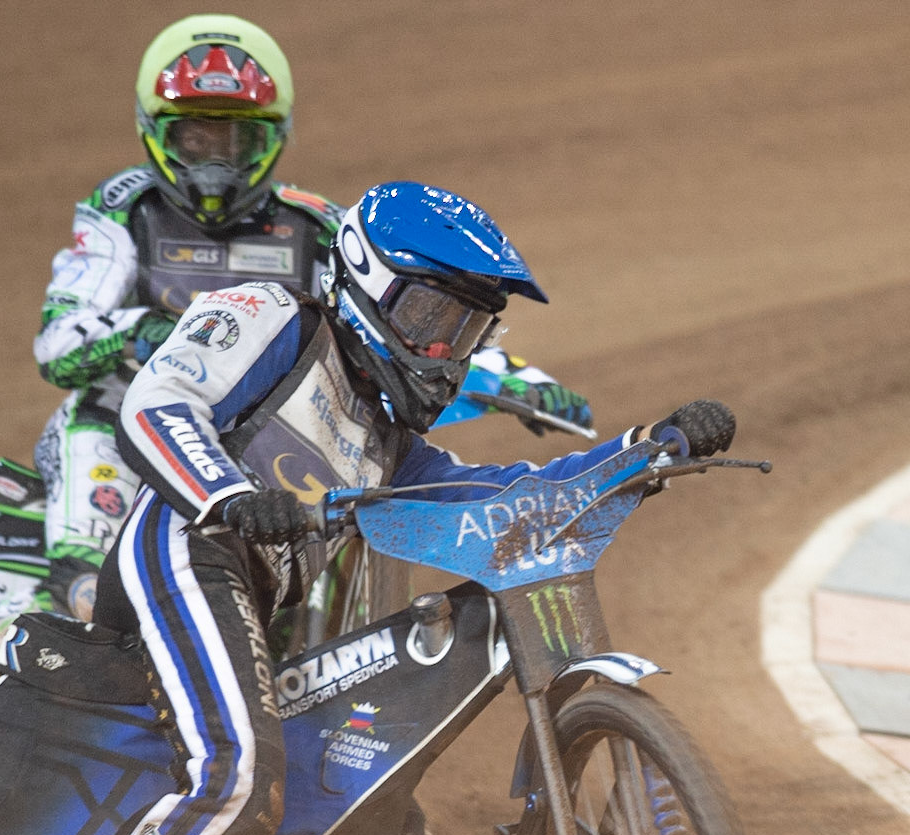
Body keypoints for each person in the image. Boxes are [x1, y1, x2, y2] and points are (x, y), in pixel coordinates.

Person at [0, 180, 714, 835]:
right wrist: (226, 493)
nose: (445, 348)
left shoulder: (392, 440)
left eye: (466, 328)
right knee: (237, 782)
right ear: (361, 279)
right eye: (430, 315)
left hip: (254, 604)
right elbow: (156, 401)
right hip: (188, 549)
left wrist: (645, 451)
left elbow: (506, 494)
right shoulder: (269, 314)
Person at [32, 14, 592, 619]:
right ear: (156, 132)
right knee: (84, 585)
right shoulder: (123, 212)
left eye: (236, 140)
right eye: (195, 137)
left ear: (274, 137)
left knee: (315, 564)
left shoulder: (314, 222)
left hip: (253, 440)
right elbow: (58, 344)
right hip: (123, 419)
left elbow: (408, 312)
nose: (215, 161)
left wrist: (517, 381)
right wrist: (147, 330)